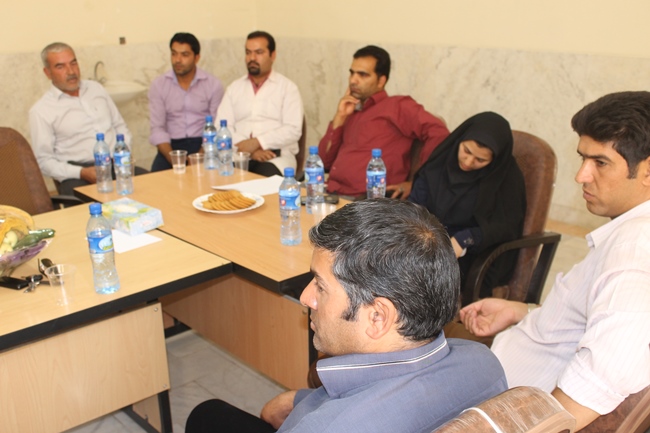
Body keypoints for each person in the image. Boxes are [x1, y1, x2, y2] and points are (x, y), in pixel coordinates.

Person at [185, 199, 507, 433]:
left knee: (206, 416)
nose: (305, 297)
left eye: (320, 287)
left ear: (378, 317)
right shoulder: (483, 362)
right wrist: (302, 400)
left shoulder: (325, 427)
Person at [459, 91, 650, 431]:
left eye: (600, 163)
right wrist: (525, 312)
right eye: (583, 158)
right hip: (498, 381)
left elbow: (602, 377)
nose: (581, 176)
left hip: (500, 411)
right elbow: (593, 314)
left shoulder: (634, 252)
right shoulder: (629, 234)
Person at [409, 112, 526, 297]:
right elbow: (415, 205)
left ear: (494, 160)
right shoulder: (441, 162)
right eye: (466, 151)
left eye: (480, 160)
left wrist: (466, 238)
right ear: (460, 140)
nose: (468, 162)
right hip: (428, 241)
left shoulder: (505, 178)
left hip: (472, 255)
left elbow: (506, 227)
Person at [318, 45, 449, 199]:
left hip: (367, 200)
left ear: (381, 81)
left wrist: (418, 182)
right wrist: (340, 117)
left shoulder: (398, 106)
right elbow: (323, 163)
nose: (353, 80)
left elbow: (439, 133)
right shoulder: (351, 110)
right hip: (330, 192)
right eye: (352, 73)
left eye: (363, 75)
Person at [29, 42, 135, 195]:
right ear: (48, 73)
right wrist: (81, 172)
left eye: (73, 63)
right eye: (60, 67)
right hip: (78, 174)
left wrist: (123, 153)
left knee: (153, 188)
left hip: (116, 164)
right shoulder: (41, 111)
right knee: (94, 205)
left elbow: (120, 126)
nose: (71, 71)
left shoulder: (96, 89)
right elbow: (44, 161)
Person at [216, 31, 303, 177]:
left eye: (259, 52)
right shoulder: (234, 88)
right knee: (219, 179)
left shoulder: (288, 88)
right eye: (248, 52)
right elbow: (221, 127)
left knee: (265, 182)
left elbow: (293, 129)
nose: (252, 58)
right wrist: (249, 150)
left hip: (275, 158)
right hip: (238, 155)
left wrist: (259, 142)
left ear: (272, 55)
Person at [149, 32, 224, 172]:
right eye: (174, 54)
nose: (178, 60)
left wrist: (199, 157)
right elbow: (157, 128)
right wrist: (175, 159)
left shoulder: (213, 85)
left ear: (196, 58)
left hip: (204, 144)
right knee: (155, 180)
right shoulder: (159, 85)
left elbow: (216, 126)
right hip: (170, 147)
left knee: (218, 176)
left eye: (184, 55)